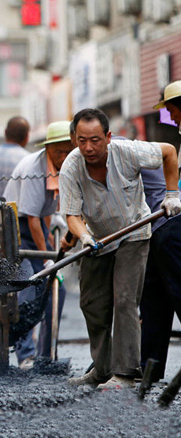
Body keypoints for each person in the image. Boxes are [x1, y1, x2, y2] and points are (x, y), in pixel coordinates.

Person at [60, 108, 181, 390]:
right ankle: (101, 370)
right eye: (81, 140)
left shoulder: (127, 151)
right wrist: (84, 237)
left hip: (134, 233)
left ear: (108, 137)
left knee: (125, 299)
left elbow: (168, 152)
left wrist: (172, 193)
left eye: (95, 140)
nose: (88, 147)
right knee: (92, 304)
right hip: (99, 239)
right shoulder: (71, 167)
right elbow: (72, 216)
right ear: (74, 139)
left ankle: (125, 373)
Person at [3, 121, 74, 370]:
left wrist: (54, 218)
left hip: (37, 227)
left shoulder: (65, 167)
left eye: (68, 151)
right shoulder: (35, 168)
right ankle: (26, 355)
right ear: (48, 149)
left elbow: (44, 212)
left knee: (57, 290)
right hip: (16, 230)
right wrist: (47, 259)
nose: (64, 156)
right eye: (59, 151)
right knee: (28, 288)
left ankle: (44, 355)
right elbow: (32, 219)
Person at [140, 80, 181, 382]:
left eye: (171, 110)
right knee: (154, 289)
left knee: (166, 241)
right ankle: (148, 365)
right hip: (172, 223)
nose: (170, 116)